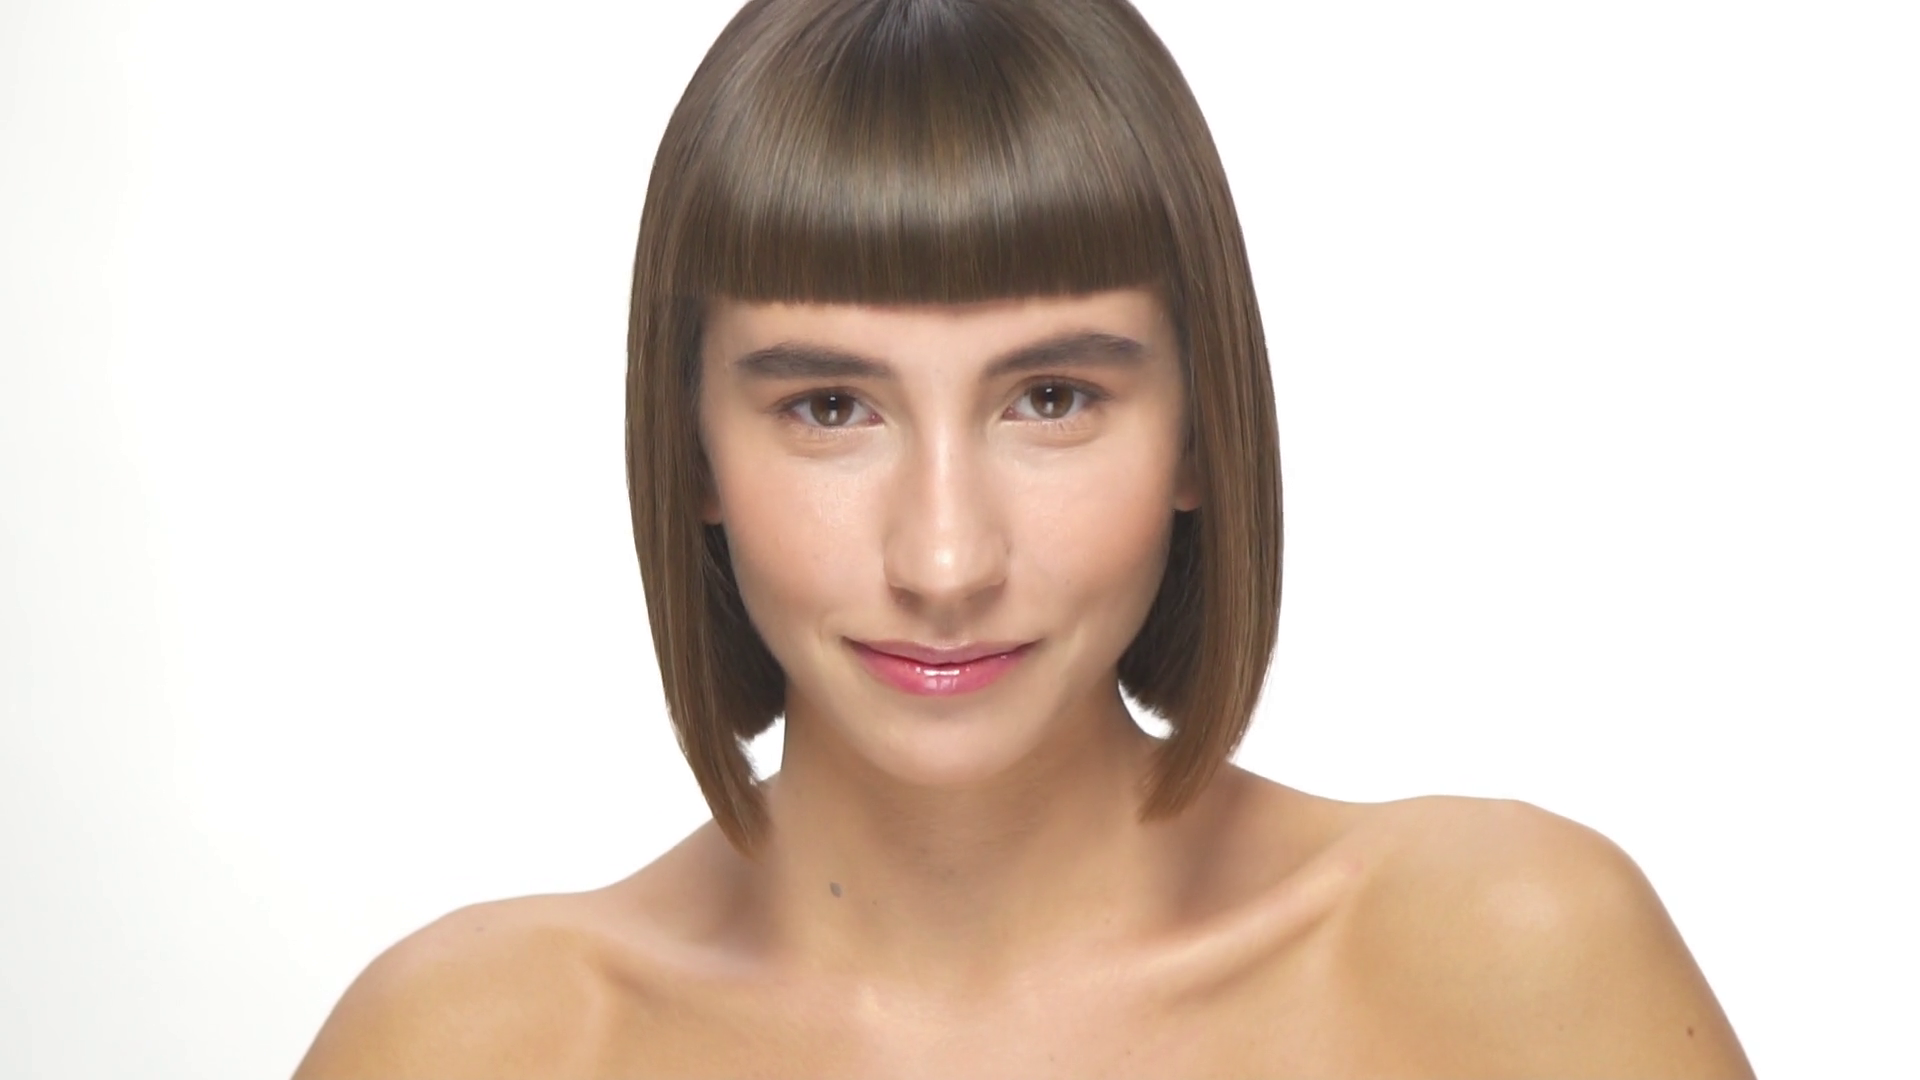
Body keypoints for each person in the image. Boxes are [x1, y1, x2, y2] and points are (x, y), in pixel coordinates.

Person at [294, 0, 1754, 1075]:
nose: (945, 561)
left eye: (1051, 399)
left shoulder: (1508, 963)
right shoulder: (474, 1046)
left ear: (1200, 433)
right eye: (828, 408)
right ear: (693, 454)